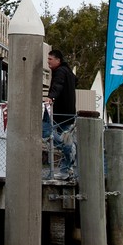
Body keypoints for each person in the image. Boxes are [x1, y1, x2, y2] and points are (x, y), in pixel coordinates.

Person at [43, 48, 77, 177]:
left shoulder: (60, 72)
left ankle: (67, 146)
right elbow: (74, 82)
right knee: (66, 136)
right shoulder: (69, 72)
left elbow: (58, 84)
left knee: (45, 131)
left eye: (50, 59)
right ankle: (65, 171)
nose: (48, 62)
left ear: (58, 60)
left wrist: (51, 97)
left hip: (57, 112)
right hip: (69, 112)